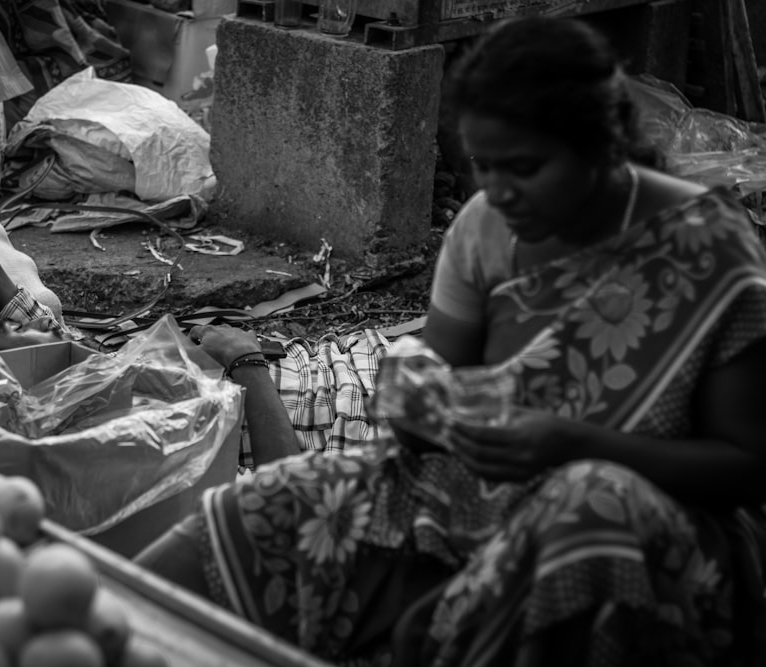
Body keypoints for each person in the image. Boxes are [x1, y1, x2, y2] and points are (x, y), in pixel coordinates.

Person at [132, 17, 766, 667]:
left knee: (589, 502)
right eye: (483, 167)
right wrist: (419, 403)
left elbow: (745, 466)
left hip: (650, 523)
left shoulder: (706, 247)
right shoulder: (488, 228)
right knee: (282, 501)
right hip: (491, 497)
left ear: (602, 146)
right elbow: (440, 387)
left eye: (525, 167)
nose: (498, 192)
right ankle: (114, 614)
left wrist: (576, 444)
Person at [0, 254, 392, 470]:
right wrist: (245, 362)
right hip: (374, 428)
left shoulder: (83, 356)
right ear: (9, 383)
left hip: (370, 358)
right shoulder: (109, 439)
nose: (42, 322)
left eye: (18, 318)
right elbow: (289, 487)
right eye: (14, 329)